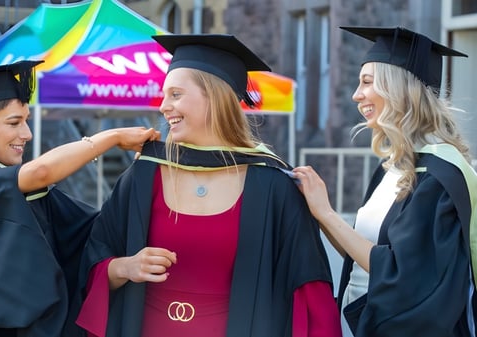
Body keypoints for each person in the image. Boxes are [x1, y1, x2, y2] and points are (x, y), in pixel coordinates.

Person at [73, 34, 342, 337]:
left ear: (214, 97)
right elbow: (93, 261)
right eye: (164, 95)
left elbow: (309, 292)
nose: (164, 107)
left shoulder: (273, 186)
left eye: (175, 94)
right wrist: (123, 268)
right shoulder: (143, 177)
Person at [0, 60, 160, 337]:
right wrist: (112, 137)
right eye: (14, 122)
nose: (26, 134)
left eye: (26, 121)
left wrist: (148, 172)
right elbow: (41, 171)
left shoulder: (29, 193)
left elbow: (90, 237)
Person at [293, 26, 477, 337]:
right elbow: (364, 254)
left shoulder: (438, 176)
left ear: (398, 89)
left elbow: (397, 273)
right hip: (361, 321)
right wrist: (316, 211)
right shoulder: (396, 166)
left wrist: (326, 213)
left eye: (366, 82)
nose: (356, 95)